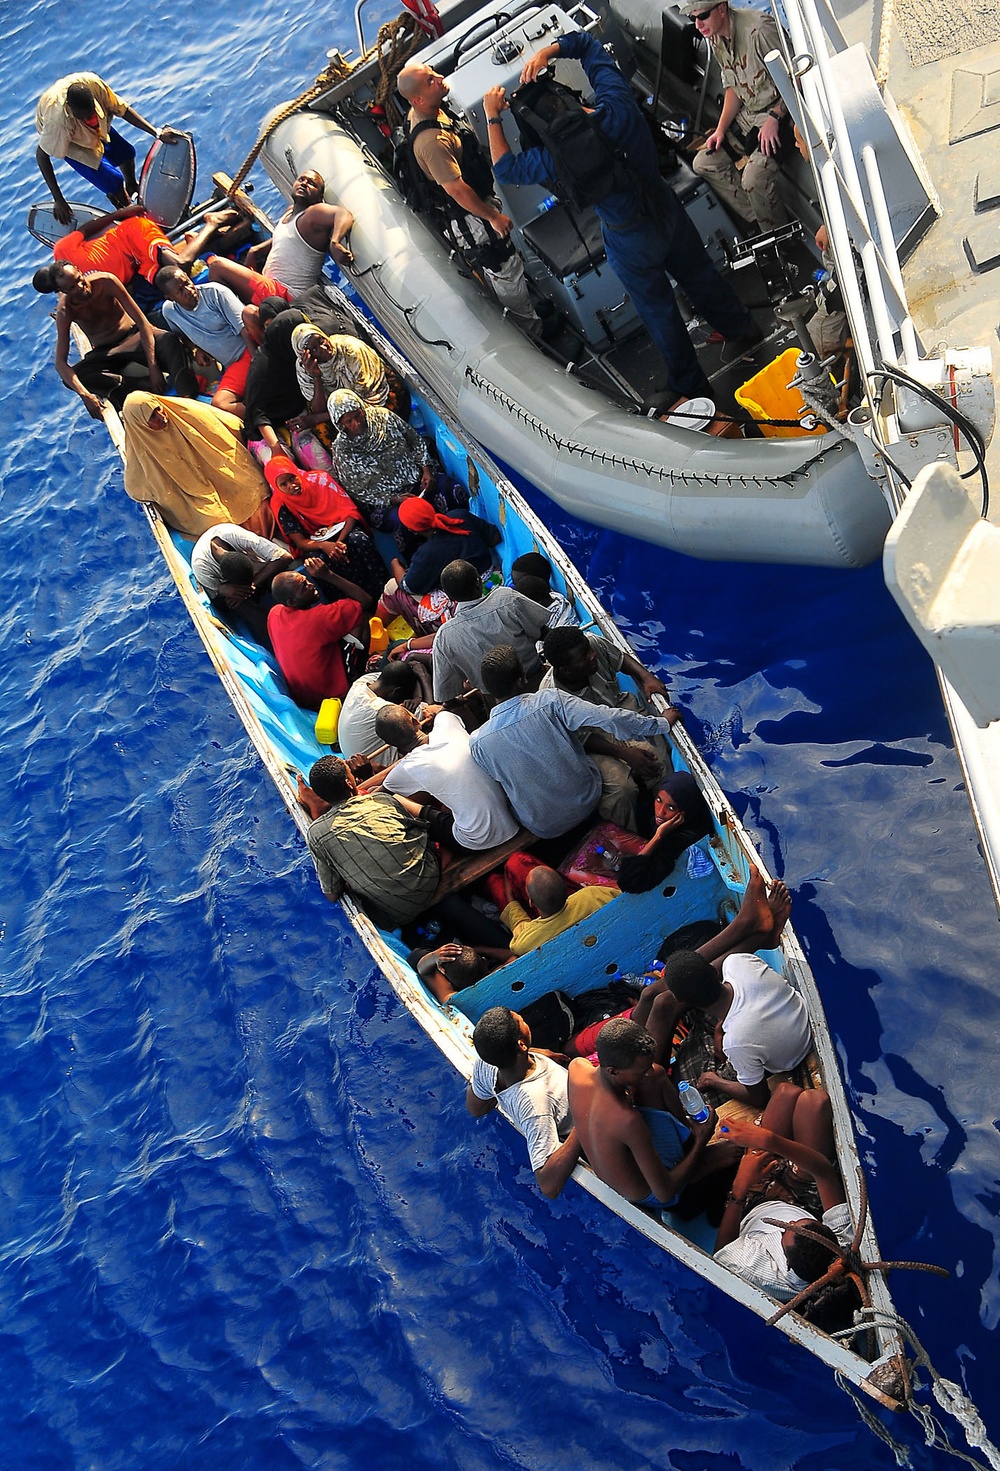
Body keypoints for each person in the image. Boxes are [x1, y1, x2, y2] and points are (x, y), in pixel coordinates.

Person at [484, 31, 759, 401]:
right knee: (701, 275)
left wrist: (492, 118)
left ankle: (690, 382)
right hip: (666, 207)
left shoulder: (557, 159)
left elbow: (504, 169)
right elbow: (587, 44)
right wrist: (548, 51)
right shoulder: (618, 106)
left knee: (658, 311)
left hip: (629, 236)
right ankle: (740, 326)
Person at [470, 645, 676, 837]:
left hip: (542, 827)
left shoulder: (477, 743)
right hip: (586, 798)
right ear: (522, 679)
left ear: (485, 690)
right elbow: (609, 717)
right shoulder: (549, 701)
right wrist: (661, 723)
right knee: (624, 785)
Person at [396, 63, 541, 337]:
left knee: (504, 270)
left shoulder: (430, 110)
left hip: (477, 206)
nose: (439, 78)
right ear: (418, 99)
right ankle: (532, 331)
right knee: (504, 267)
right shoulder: (432, 143)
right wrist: (493, 217)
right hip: (472, 220)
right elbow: (457, 190)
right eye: (430, 80)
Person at [660, 873, 811, 1110]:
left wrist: (714, 1080)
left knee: (702, 1074)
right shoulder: (737, 962)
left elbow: (759, 1098)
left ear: (683, 1001)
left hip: (790, 1058)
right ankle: (756, 929)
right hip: (800, 1019)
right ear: (713, 970)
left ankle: (751, 924)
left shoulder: (736, 1042)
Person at [568, 1017, 734, 1211]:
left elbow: (648, 1074)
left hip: (625, 1150)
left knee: (657, 1074)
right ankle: (693, 1145)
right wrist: (701, 1141)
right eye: (640, 1072)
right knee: (735, 1150)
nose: (646, 1073)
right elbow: (664, 1193)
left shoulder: (577, 1067)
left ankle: (688, 1136)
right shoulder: (627, 1121)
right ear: (613, 1071)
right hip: (653, 1192)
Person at [713, 1082, 855, 1310]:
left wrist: (740, 1188)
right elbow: (824, 1173)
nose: (787, 1223)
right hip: (802, 1199)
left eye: (786, 1230)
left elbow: (721, 1250)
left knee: (784, 1095)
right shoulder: (841, 1244)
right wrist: (766, 1139)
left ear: (786, 1262)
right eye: (794, 1223)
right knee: (813, 1101)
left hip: (751, 1201)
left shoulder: (757, 1270)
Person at [685, 1, 790, 234]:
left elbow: (796, 78)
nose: (698, 24)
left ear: (721, 9)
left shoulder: (760, 31)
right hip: (750, 113)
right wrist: (720, 130)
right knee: (704, 163)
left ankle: (781, 237)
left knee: (752, 179)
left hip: (782, 112)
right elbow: (733, 87)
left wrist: (775, 116)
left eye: (702, 16)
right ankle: (761, 220)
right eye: (694, 19)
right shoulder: (715, 37)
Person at [303, 755, 445, 924]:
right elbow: (420, 830)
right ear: (349, 783)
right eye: (350, 773)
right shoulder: (383, 800)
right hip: (429, 880)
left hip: (393, 912)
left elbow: (331, 894)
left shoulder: (317, 834)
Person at [41, 264, 197, 416]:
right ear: (63, 291)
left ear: (80, 271)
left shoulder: (106, 282)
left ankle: (188, 398)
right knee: (74, 377)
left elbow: (142, 322)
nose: (81, 287)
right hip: (106, 352)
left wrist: (153, 365)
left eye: (79, 279)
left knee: (170, 340)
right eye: (72, 288)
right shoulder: (65, 311)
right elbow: (60, 364)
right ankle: (140, 385)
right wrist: (85, 395)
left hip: (133, 336)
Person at [369, 704, 518, 851]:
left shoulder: (406, 769)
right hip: (514, 814)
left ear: (390, 744)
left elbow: (377, 796)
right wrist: (434, 711)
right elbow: (443, 709)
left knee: (401, 800)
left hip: (479, 839)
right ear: (415, 721)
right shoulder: (447, 721)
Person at [467, 1008, 581, 1198]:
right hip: (584, 1121)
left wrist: (535, 1054)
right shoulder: (536, 1103)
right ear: (521, 1044)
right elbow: (548, 1184)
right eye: (521, 1021)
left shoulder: (486, 1063)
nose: (524, 1020)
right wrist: (585, 1123)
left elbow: (476, 1108)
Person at [35, 72, 181, 221]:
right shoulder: (58, 124)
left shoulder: (95, 86)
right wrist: (59, 200)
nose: (90, 120)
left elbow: (123, 110)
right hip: (68, 138)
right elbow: (41, 156)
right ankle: (129, 214)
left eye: (91, 113)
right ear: (72, 110)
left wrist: (157, 133)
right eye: (85, 117)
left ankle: (132, 188)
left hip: (82, 116)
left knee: (126, 153)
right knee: (113, 181)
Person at [122, 392, 271, 538]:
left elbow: (227, 428)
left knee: (252, 489)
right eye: (152, 417)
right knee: (212, 521)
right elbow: (139, 486)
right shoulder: (142, 449)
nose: (161, 417)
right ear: (140, 425)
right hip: (193, 494)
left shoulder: (187, 412)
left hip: (220, 466)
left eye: (158, 409)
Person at [262, 455, 388, 604]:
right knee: (317, 563)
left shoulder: (321, 481)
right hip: (316, 544)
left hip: (344, 531)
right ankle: (352, 606)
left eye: (292, 478)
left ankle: (385, 594)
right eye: (284, 484)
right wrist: (325, 546)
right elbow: (300, 542)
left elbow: (350, 513)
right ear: (277, 487)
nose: (292, 485)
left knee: (358, 540)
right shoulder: (281, 504)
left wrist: (339, 543)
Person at [429, 560, 549, 701]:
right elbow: (544, 633)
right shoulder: (506, 598)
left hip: (497, 702)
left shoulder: (444, 637)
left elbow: (446, 694)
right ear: (478, 582)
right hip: (540, 683)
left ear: (449, 597)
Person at [328, 389, 444, 531]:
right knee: (408, 522)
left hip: (417, 481)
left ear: (362, 408)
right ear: (340, 424)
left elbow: (413, 440)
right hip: (386, 502)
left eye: (358, 415)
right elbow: (358, 491)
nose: (357, 423)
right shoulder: (342, 451)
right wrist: (395, 499)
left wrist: (426, 469)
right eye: (349, 421)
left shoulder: (383, 417)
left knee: (449, 489)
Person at [381, 500, 500, 633]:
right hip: (492, 581)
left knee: (392, 587)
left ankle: (377, 628)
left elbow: (409, 587)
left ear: (411, 530)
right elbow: (494, 538)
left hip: (466, 600)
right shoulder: (461, 516)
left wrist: (395, 564)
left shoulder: (427, 553)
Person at [266, 567, 370, 710]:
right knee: (361, 615)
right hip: (333, 695)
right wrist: (329, 575)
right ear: (291, 602)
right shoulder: (318, 618)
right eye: (303, 588)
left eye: (306, 580)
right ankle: (359, 673)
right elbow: (364, 600)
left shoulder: (274, 613)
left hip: (304, 697)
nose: (310, 585)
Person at [241, 169, 354, 295]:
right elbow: (286, 240)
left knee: (217, 265)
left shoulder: (312, 214)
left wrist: (335, 242)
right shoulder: (289, 213)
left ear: (319, 198)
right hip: (269, 288)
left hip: (283, 293)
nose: (304, 183)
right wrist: (254, 251)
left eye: (312, 183)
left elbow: (343, 214)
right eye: (301, 179)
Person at [189, 523, 295, 648]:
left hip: (258, 570)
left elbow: (286, 557)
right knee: (237, 605)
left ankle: (297, 616)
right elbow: (218, 603)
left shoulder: (239, 537)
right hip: (229, 589)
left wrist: (254, 583)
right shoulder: (202, 567)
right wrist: (222, 590)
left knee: (286, 581)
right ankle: (279, 641)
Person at [615, 771, 714, 893]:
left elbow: (626, 882)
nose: (660, 812)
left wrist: (658, 836)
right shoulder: (665, 822)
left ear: (685, 811)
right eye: (659, 800)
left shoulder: (677, 841)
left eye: (671, 807)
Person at [289, 323, 407, 425]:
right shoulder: (305, 368)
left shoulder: (350, 351)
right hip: (343, 409)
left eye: (321, 341)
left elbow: (365, 399)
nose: (323, 348)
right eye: (314, 349)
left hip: (376, 396)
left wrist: (318, 418)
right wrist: (316, 376)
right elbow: (318, 410)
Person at [497, 861, 619, 956]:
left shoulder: (526, 942)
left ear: (531, 902)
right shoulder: (593, 894)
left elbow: (518, 927)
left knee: (495, 881)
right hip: (611, 944)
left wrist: (510, 896)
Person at [241, 307, 310, 455]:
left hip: (295, 415)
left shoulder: (296, 355)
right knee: (284, 465)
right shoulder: (264, 367)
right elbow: (257, 412)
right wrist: (276, 448)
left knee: (311, 451)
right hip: (265, 429)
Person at [337, 661, 424, 766]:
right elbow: (432, 710)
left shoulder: (361, 683)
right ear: (396, 692)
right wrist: (422, 678)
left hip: (353, 757)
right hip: (379, 769)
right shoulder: (383, 710)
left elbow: (394, 673)